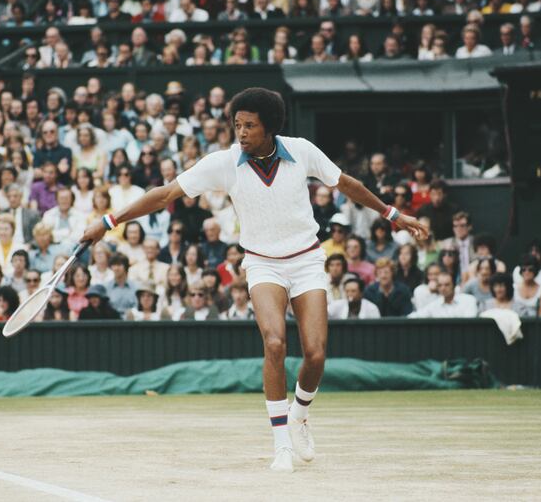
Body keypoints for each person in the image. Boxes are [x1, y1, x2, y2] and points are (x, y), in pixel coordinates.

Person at [80, 87, 427, 472]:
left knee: (315, 353)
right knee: (275, 343)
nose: (241, 133)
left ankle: (300, 416)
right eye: (237, 125)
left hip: (307, 259)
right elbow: (164, 195)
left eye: (249, 126)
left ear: (270, 128)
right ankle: (281, 444)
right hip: (262, 264)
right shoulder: (223, 163)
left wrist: (395, 215)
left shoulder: (302, 150)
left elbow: (346, 184)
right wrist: (108, 222)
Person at [409, 271, 478, 318]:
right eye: (440, 285)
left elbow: (470, 323)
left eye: (447, 285)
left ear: (454, 286)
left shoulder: (469, 300)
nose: (443, 288)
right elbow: (415, 316)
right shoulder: (435, 305)